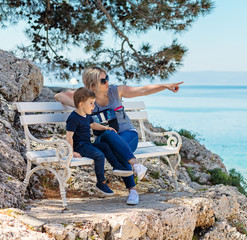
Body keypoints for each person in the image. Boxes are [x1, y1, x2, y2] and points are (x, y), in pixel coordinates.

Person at [55, 66, 183, 205]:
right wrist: (79, 105)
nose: (107, 82)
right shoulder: (87, 99)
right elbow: (59, 96)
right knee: (109, 134)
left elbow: (142, 90)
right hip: (105, 137)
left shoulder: (116, 91)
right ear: (92, 85)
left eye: (107, 78)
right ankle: (135, 171)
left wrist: (165, 86)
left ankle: (133, 190)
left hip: (128, 134)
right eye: (103, 81)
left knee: (117, 147)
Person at [65, 87, 133, 197]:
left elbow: (93, 125)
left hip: (86, 144)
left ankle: (117, 166)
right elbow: (69, 136)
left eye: (94, 103)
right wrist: (72, 152)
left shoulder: (86, 115)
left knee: (105, 146)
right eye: (91, 103)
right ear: (81, 104)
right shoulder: (73, 118)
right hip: (79, 147)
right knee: (99, 155)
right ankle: (101, 183)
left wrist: (106, 128)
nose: (93, 106)